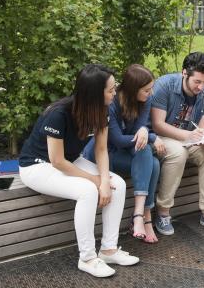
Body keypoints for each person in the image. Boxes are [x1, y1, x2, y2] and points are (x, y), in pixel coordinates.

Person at [18, 64, 139, 278]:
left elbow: (101, 150)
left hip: (71, 161)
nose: (115, 92)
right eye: (111, 89)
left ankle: (109, 249)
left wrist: (103, 181)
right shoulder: (58, 113)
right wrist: (94, 181)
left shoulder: (102, 110)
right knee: (88, 191)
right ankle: (88, 258)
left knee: (116, 184)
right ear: (94, 93)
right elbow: (56, 161)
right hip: (37, 166)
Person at [150, 52, 204, 234]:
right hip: (162, 137)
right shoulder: (164, 85)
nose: (201, 87)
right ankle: (163, 213)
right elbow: (157, 125)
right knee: (179, 153)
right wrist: (190, 135)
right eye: (197, 82)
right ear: (184, 73)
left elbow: (203, 127)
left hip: (188, 137)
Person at [83, 64, 162, 244]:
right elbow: (117, 139)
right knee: (148, 153)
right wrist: (148, 135)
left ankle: (139, 215)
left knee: (152, 160)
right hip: (104, 154)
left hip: (123, 151)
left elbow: (138, 128)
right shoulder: (112, 103)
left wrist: (143, 129)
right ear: (134, 89)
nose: (150, 93)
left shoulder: (145, 99)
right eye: (146, 90)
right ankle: (143, 218)